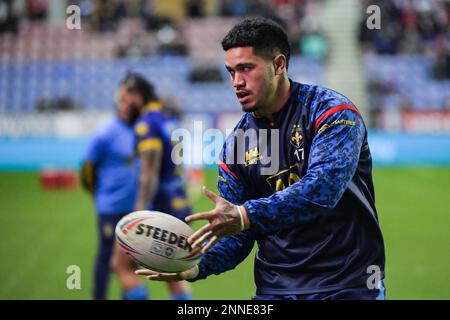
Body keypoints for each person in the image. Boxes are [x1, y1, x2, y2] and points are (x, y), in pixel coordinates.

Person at [136, 17, 386, 300]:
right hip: (274, 291)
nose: (236, 82)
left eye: (246, 69)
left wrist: (243, 215)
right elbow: (239, 236)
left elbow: (321, 190)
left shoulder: (332, 113)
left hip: (346, 286)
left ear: (278, 65)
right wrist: (196, 267)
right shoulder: (235, 147)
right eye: (230, 71)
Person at [111, 73, 193, 300]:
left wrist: (136, 213)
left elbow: (149, 174)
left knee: (121, 265)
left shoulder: (147, 124)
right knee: (174, 277)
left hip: (159, 208)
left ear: (137, 97)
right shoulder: (168, 118)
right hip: (179, 204)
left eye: (123, 99)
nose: (121, 105)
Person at [80, 83, 145, 300]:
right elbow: (88, 168)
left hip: (136, 209)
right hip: (111, 208)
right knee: (108, 257)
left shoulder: (142, 130)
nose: (128, 106)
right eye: (125, 101)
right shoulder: (106, 133)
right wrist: (98, 195)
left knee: (132, 261)